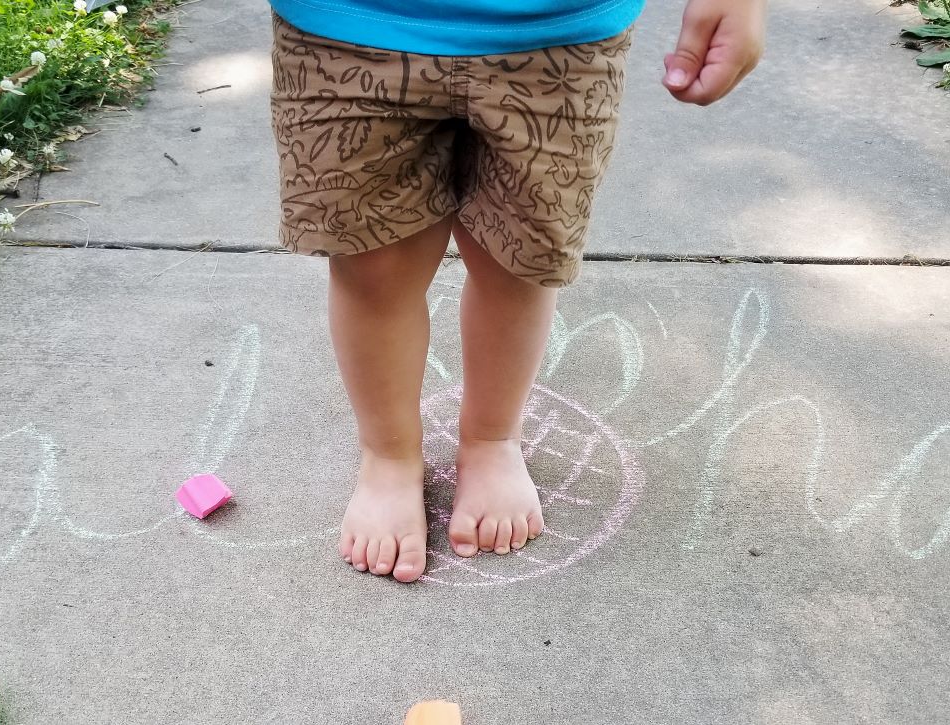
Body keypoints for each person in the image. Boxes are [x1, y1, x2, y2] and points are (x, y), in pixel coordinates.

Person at [268, 0, 768, 582]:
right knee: (369, 265)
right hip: (344, 28)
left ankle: (490, 438)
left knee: (521, 261)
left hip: (557, 36)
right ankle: (388, 454)